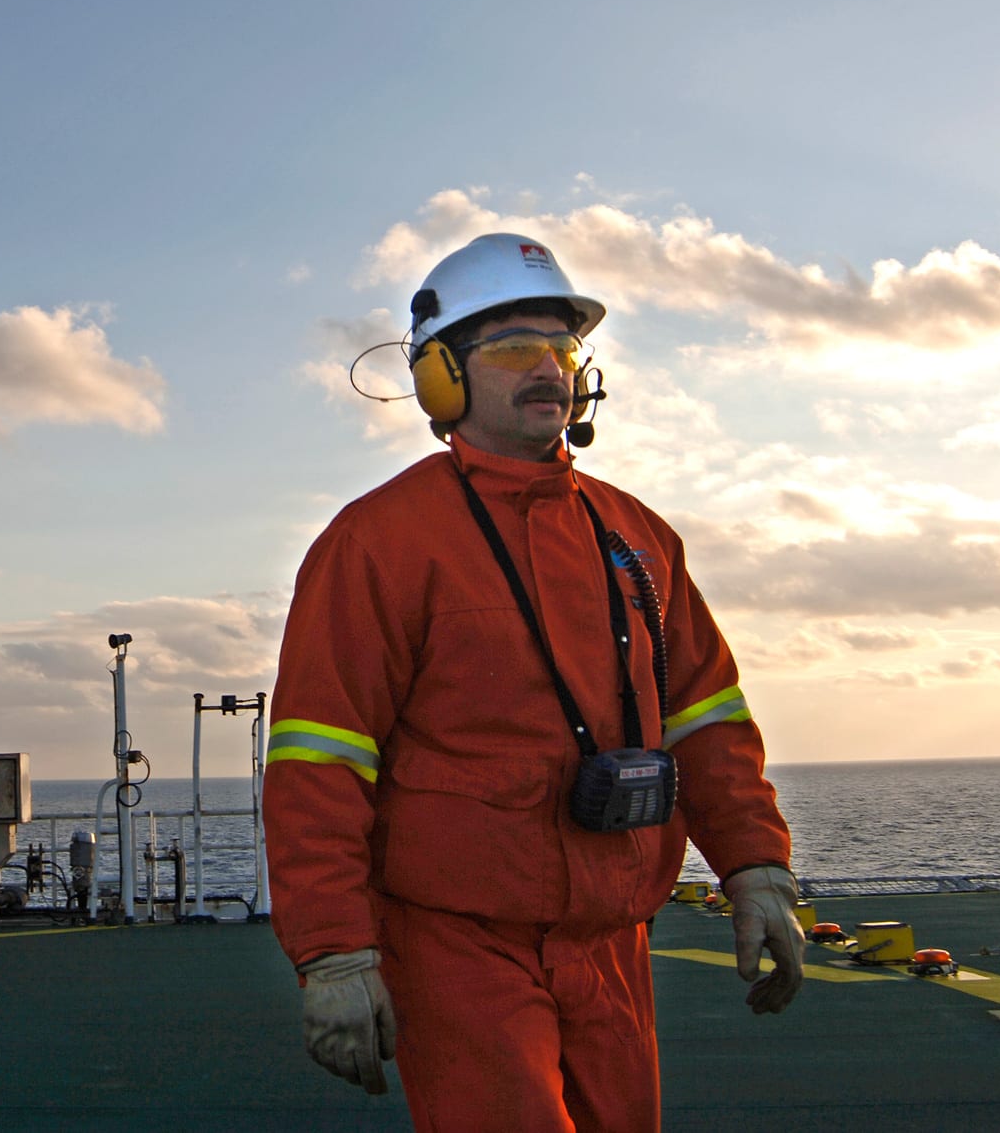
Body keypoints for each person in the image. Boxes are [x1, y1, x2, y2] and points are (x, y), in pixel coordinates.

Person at [264, 231, 804, 1132]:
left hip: (611, 942)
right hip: (457, 944)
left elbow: (708, 720)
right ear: (441, 377)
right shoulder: (378, 542)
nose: (549, 369)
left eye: (563, 349)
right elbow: (318, 762)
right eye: (516, 348)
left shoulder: (638, 537)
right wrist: (335, 956)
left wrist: (757, 868)